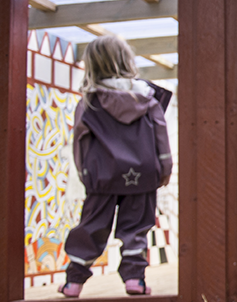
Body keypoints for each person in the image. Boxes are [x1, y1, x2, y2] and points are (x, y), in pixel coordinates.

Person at [60, 35, 174, 298]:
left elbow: (79, 140)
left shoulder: (89, 102)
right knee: (136, 228)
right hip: (143, 175)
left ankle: (74, 282)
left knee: (91, 225)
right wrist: (165, 169)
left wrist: (84, 172)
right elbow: (161, 136)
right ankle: (135, 280)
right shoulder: (148, 98)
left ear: (93, 65)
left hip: (102, 176)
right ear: (127, 61)